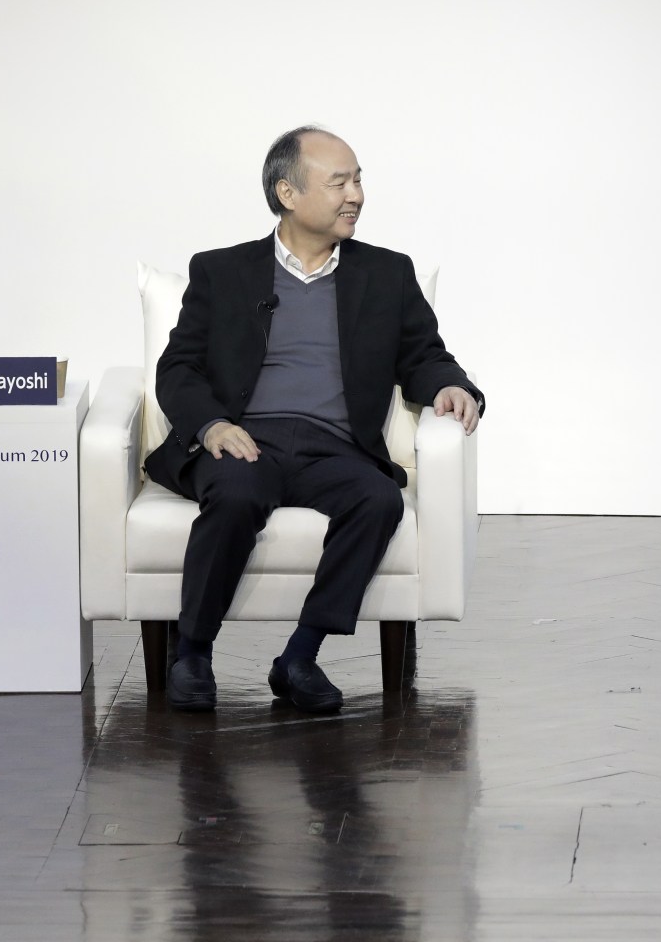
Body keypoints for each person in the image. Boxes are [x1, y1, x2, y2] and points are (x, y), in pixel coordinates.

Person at [145, 125, 484, 714]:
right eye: (338, 182)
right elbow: (177, 368)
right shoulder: (221, 272)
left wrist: (452, 386)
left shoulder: (386, 274)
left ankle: (300, 656)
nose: (355, 194)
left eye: (358, 180)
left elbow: (423, 354)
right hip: (246, 437)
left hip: (335, 446)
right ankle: (193, 652)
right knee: (235, 493)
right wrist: (211, 427)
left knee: (378, 500)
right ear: (288, 193)